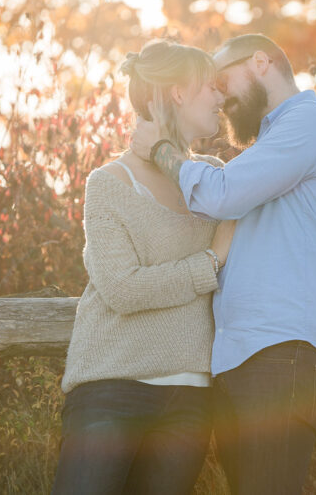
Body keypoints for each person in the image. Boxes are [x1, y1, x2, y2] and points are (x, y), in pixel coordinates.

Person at [132, 33, 316, 494]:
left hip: (285, 350)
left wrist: (161, 150)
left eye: (221, 78)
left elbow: (222, 193)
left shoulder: (312, 122)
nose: (218, 93)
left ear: (260, 62)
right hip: (247, 358)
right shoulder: (269, 146)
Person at [52, 40, 237, 495]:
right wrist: (209, 263)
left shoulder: (214, 179)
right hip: (111, 388)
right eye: (210, 87)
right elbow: (122, 288)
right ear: (178, 92)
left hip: (190, 399)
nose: (220, 97)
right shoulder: (109, 183)